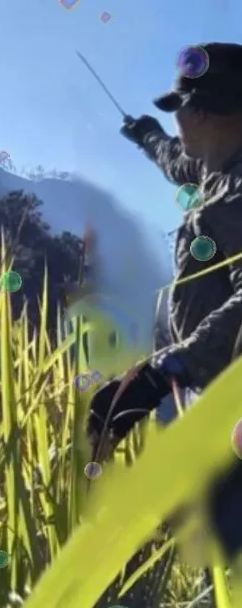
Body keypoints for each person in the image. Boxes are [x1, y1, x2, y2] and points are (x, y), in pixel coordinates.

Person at [87, 42, 242, 466]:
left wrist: (161, 373)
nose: (177, 121)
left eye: (177, 107)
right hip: (204, 388)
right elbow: (174, 160)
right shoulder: (211, 165)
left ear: (200, 112)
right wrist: (145, 134)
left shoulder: (236, 190)